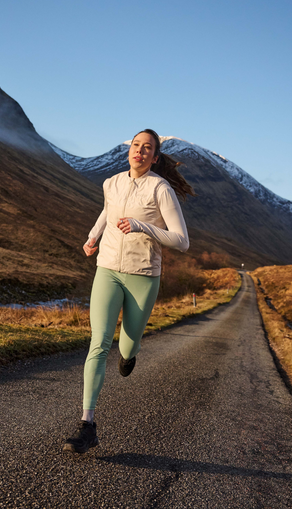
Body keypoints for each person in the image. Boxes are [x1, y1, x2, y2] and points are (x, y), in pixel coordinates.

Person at [63, 129, 196, 453]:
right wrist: (93, 236)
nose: (139, 150)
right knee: (98, 342)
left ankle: (130, 354)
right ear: (129, 151)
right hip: (107, 269)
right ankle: (87, 424)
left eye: (146, 148)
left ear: (154, 157)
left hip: (143, 275)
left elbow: (182, 240)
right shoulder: (112, 183)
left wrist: (142, 226)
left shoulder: (161, 189)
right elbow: (108, 212)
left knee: (128, 343)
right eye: (136, 145)